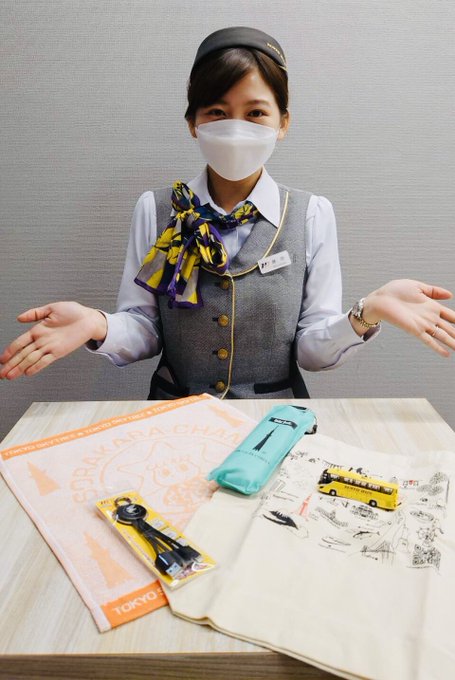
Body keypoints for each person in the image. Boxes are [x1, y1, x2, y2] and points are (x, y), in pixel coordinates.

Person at [1, 27, 454, 399]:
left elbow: (312, 352)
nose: (236, 128)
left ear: (283, 123)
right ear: (193, 123)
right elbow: (144, 330)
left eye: (255, 113)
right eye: (217, 112)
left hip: (274, 424)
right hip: (173, 416)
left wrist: (366, 312)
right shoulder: (155, 209)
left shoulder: (311, 214)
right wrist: (96, 325)